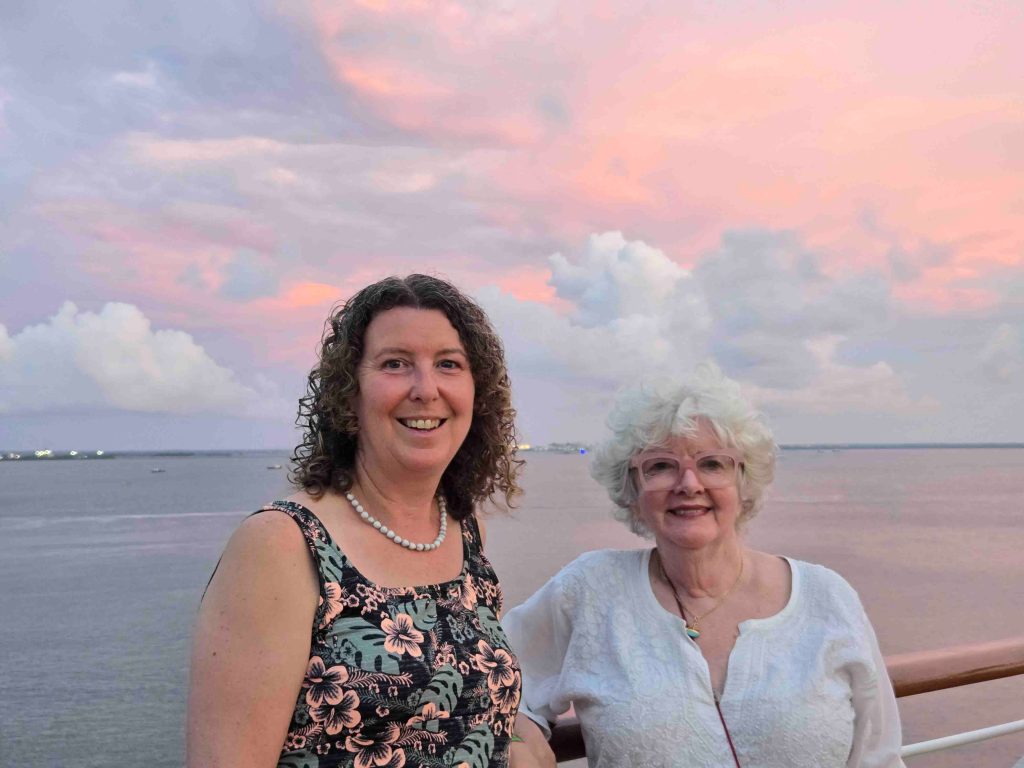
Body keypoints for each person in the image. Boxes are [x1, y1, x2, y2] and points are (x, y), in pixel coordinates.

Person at [187, 274, 553, 768]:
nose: (426, 389)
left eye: (448, 364)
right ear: (349, 393)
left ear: (477, 393)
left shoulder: (464, 533)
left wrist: (519, 743)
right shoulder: (283, 545)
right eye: (395, 363)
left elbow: (462, 712)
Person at [503, 365, 906, 767]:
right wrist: (519, 733)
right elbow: (487, 674)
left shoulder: (827, 598)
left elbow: (880, 757)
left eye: (713, 464)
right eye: (660, 466)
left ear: (744, 482)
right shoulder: (590, 591)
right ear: (632, 489)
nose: (689, 484)